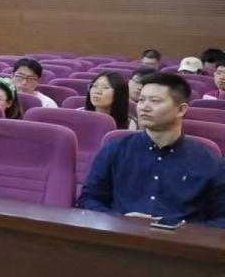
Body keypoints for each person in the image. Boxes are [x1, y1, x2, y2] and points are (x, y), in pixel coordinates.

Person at [78, 73, 225, 226]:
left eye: (155, 101)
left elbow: (222, 220)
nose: (144, 107)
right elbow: (89, 199)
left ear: (181, 110)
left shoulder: (210, 163)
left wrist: (174, 227)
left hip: (180, 239)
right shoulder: (114, 150)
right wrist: (119, 219)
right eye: (141, 100)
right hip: (119, 234)